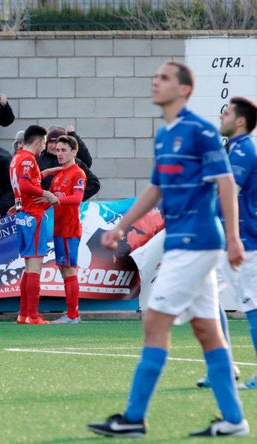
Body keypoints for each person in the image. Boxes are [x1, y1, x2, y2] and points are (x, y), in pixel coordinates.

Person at [88, 61, 248, 438]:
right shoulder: (165, 136)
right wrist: (121, 226)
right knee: (209, 333)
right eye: (154, 75)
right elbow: (155, 189)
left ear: (184, 90)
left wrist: (235, 238)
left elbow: (225, 183)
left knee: (154, 321)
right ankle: (234, 419)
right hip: (184, 243)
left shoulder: (200, 131)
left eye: (163, 78)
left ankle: (133, 417)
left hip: (196, 244)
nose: (155, 81)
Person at [214, 96, 257, 389]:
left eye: (226, 113)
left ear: (240, 120)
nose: (222, 117)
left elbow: (227, 194)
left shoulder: (244, 151)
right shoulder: (233, 149)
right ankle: (224, 367)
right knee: (206, 299)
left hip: (245, 241)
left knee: (252, 304)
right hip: (227, 239)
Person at [9, 125, 59, 325]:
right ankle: (33, 315)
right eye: (45, 143)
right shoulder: (28, 159)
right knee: (35, 266)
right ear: (38, 142)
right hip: (33, 216)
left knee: (29, 266)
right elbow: (25, 185)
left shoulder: (16, 158)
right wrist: (46, 194)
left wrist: (45, 173)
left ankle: (23, 314)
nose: (45, 148)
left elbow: (25, 182)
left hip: (23, 215)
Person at [48, 135, 86, 324]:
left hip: (70, 229)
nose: (60, 154)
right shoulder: (58, 175)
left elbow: (77, 198)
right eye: (57, 150)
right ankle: (71, 312)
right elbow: (50, 200)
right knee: (64, 270)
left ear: (74, 152)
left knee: (69, 270)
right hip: (59, 228)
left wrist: (58, 199)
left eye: (64, 150)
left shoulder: (77, 173)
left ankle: (73, 315)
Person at [38, 126, 99, 200]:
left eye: (63, 149)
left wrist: (72, 197)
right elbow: (30, 181)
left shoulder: (75, 163)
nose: (53, 146)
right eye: (51, 142)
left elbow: (94, 183)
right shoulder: (38, 160)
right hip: (46, 208)